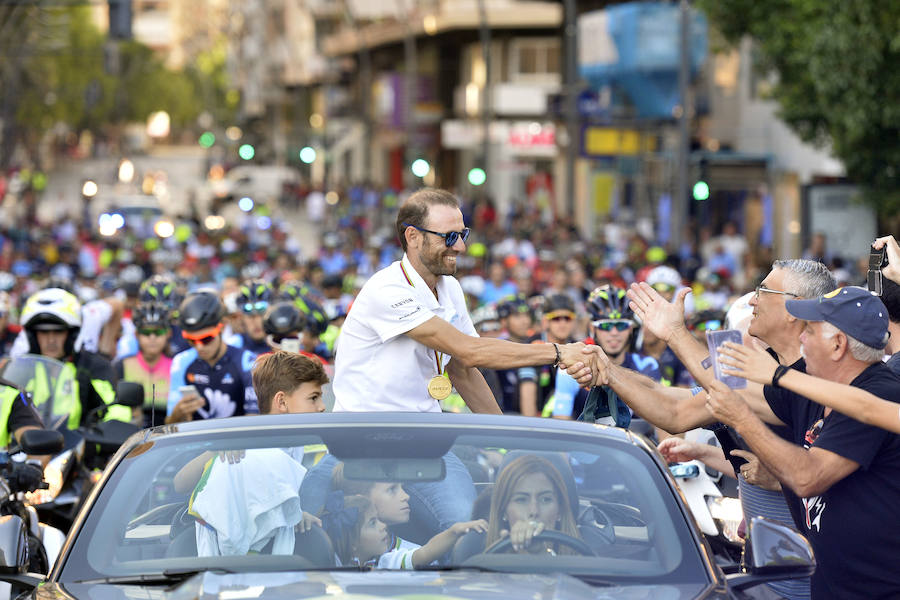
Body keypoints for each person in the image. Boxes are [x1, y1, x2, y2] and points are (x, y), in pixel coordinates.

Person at [704, 286, 900, 599]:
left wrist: (774, 380)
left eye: (809, 329)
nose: (801, 337)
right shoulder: (847, 392)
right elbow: (863, 405)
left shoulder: (883, 390)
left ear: (838, 344)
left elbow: (809, 475)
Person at [331, 187, 594, 415]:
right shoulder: (387, 288)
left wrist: (506, 442)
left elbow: (464, 369)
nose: (460, 247)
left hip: (423, 432)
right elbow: (470, 350)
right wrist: (558, 352)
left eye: (462, 235)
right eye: (449, 237)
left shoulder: (450, 287)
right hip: (366, 437)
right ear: (412, 237)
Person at [19, 287, 131, 428]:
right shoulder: (23, 368)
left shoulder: (93, 367)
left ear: (72, 334)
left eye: (58, 332)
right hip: (24, 447)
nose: (51, 340)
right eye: (43, 332)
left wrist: (95, 440)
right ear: (33, 336)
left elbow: (116, 411)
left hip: (78, 447)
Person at [551, 285, 661, 426]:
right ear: (592, 328)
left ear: (631, 329)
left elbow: (662, 420)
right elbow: (562, 424)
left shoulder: (647, 365)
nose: (614, 333)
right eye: (606, 326)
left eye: (621, 325)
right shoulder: (573, 366)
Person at [320, 490, 487, 569]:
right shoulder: (330, 565)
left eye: (378, 519)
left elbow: (425, 553)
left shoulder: (387, 562)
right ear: (352, 541)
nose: (383, 525)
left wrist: (454, 531)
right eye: (372, 523)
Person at [166, 291, 257, 424]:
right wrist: (178, 413)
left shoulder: (247, 361)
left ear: (223, 326)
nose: (199, 347)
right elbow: (169, 423)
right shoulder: (181, 362)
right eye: (191, 340)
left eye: (206, 339)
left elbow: (254, 422)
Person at [484, 455, 581, 554]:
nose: (534, 511)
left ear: (560, 510)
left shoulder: (586, 561)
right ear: (504, 511)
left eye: (545, 499)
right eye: (521, 500)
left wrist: (541, 554)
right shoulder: (475, 555)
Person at [114, 302, 173, 428]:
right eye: (146, 332)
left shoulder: (176, 366)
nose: (152, 338)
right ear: (136, 335)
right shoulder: (122, 366)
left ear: (168, 334)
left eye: (158, 332)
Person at [519, 293, 576, 418]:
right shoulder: (532, 346)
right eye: (556, 318)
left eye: (567, 318)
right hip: (536, 419)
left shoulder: (577, 347)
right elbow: (527, 389)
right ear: (545, 322)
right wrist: (532, 429)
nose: (562, 323)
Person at [227, 279, 275, 358]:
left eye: (261, 314)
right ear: (241, 318)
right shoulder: (233, 345)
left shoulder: (282, 343)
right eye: (250, 316)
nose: (256, 321)